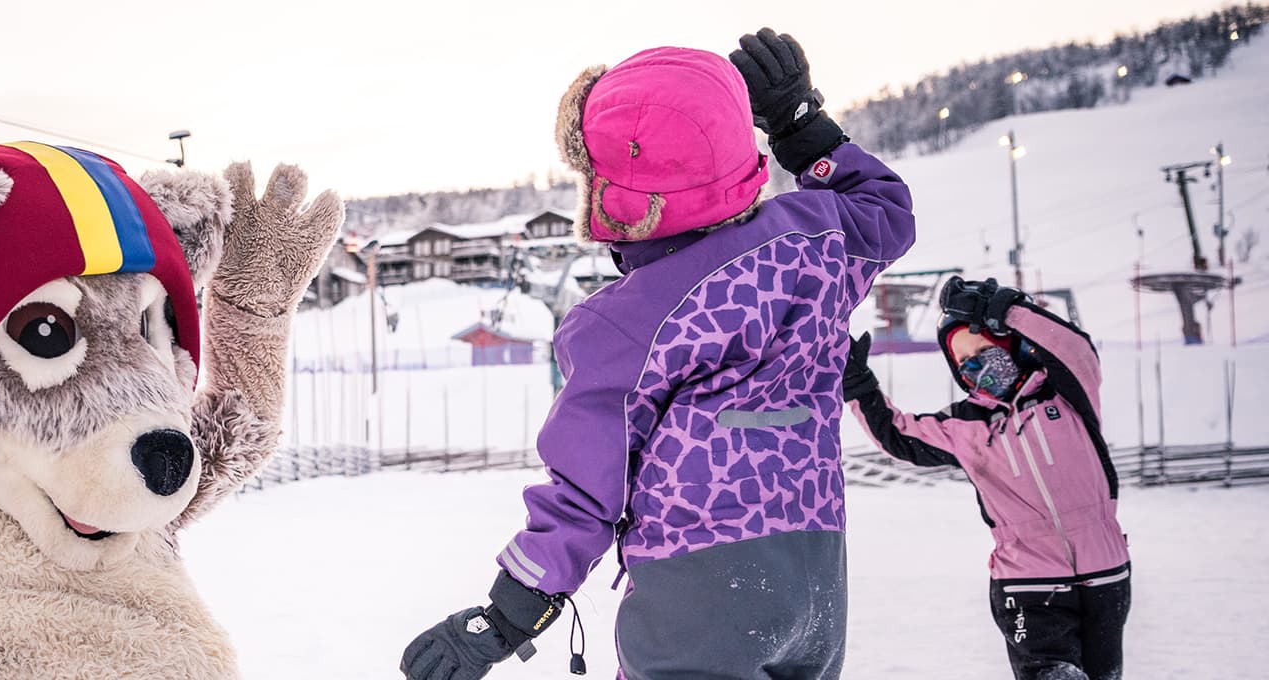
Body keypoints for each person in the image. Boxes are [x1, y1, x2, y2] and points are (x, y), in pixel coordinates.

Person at [399, 28, 915, 680]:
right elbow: (887, 211)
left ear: (618, 199)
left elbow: (585, 492)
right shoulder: (814, 239)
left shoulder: (626, 322)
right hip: (815, 576)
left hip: (699, 589)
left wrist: (506, 618)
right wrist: (799, 123)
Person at [842, 277, 1131, 680]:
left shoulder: (1067, 395)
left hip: (1106, 573)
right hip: (1028, 582)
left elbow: (1073, 348)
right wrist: (858, 384)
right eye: (963, 361)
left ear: (1011, 344)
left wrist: (1007, 309)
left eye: (983, 351)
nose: (974, 366)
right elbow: (897, 434)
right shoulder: (966, 425)